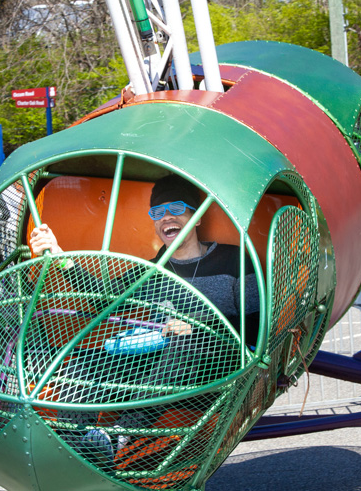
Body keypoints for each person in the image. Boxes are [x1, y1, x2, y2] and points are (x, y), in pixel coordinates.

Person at [29, 174, 259, 461]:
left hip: (219, 371)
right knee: (84, 360)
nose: (166, 218)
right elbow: (103, 299)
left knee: (185, 344)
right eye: (158, 212)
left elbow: (255, 327)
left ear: (197, 217)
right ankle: (71, 439)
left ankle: (118, 436)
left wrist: (200, 326)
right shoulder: (151, 271)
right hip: (161, 371)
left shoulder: (234, 259)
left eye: (176, 208)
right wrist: (60, 256)